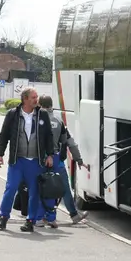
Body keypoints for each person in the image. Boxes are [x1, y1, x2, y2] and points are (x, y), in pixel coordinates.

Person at [0, 87, 54, 232]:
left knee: (34, 192)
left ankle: (30, 221)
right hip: (18, 160)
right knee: (11, 188)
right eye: (33, 97)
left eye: (36, 97)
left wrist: (50, 155)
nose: (36, 99)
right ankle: (3, 217)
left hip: (35, 161)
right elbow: (4, 135)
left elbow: (48, 136)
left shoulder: (42, 115)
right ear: (25, 99)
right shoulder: (13, 114)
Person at [35, 94, 88, 227]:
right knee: (62, 187)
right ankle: (74, 215)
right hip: (56, 159)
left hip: (39, 158)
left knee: (39, 188)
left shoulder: (36, 119)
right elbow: (70, 142)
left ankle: (39, 217)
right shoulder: (59, 121)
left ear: (39, 105)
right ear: (52, 105)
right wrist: (78, 159)